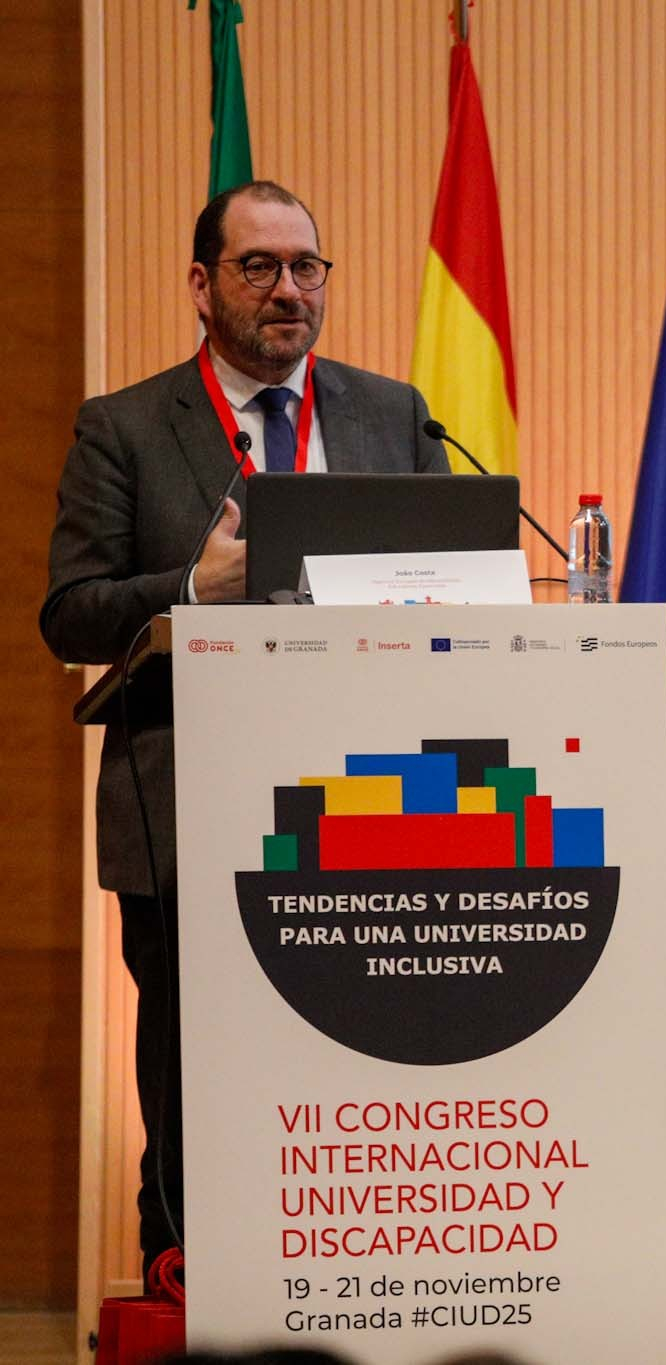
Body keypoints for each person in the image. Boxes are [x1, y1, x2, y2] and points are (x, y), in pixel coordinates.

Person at [41, 179, 447, 1274]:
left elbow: (452, 584)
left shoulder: (394, 413)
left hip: (373, 810)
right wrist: (191, 588)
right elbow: (68, 612)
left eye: (306, 267)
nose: (287, 290)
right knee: (195, 1085)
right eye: (257, 266)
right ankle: (187, 1293)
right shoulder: (125, 426)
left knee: (350, 1074)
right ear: (201, 285)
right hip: (189, 815)